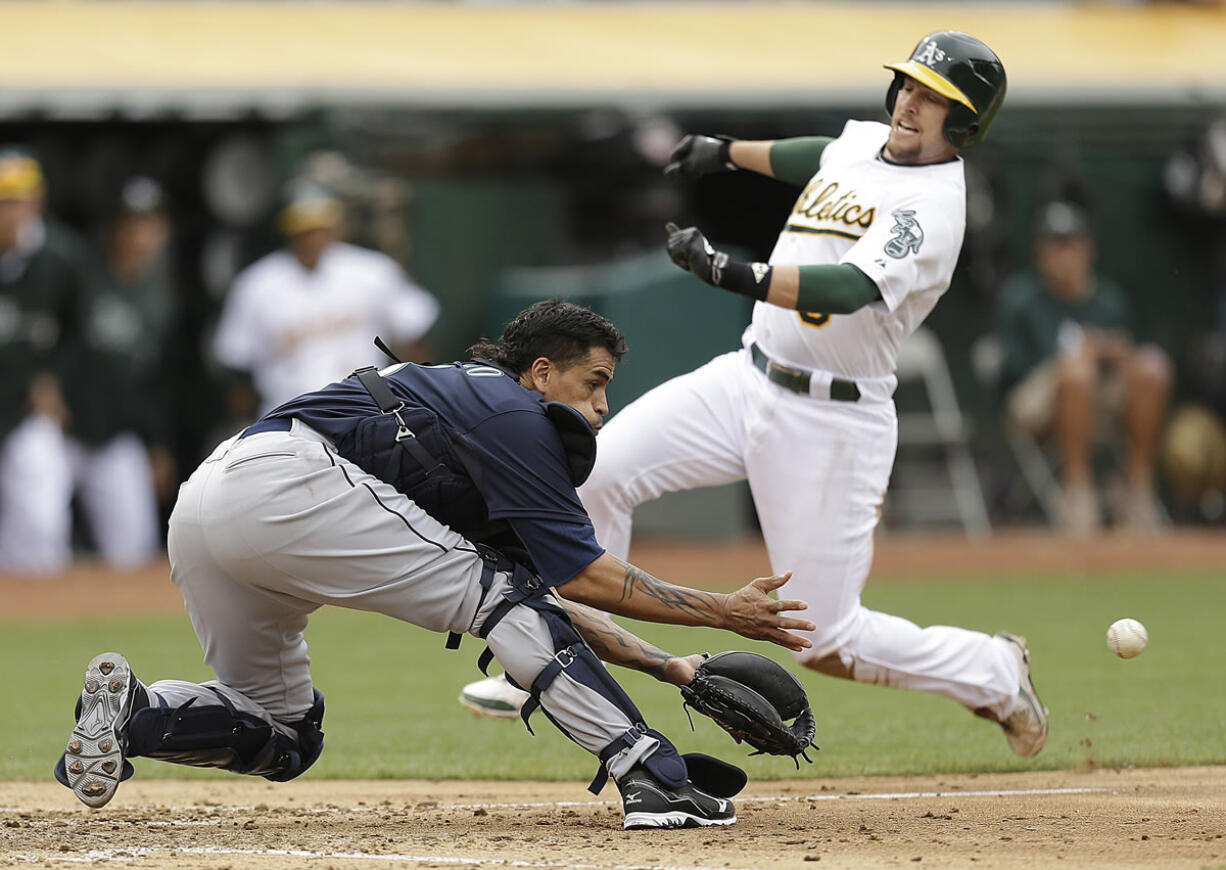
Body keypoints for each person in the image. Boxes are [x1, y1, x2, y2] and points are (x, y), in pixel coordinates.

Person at [461, 32, 1050, 761]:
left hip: (831, 417)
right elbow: (821, 153)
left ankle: (991, 671)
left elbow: (851, 288)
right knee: (594, 471)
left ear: (963, 125)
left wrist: (732, 273)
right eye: (910, 86)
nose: (912, 103)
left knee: (823, 638)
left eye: (935, 99)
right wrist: (727, 149)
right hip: (749, 375)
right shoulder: (870, 141)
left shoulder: (931, 208)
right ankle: (558, 657)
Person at [54, 299, 815, 831]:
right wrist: (723, 610)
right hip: (292, 484)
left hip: (210, 501)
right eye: (595, 382)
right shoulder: (518, 417)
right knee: (507, 601)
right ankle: (650, 775)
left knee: (283, 735)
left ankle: (135, 715)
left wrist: (674, 668)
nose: (604, 406)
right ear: (542, 373)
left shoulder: (473, 416)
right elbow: (574, 581)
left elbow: (548, 608)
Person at [996, 200, 1172, 536]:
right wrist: (1076, 356)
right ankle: (1077, 493)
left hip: (1099, 396)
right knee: (1077, 374)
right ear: (1041, 254)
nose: (1064, 255)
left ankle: (1136, 489)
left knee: (1152, 367)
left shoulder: (1108, 300)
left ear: (1087, 250)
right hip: (1036, 401)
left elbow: (1127, 354)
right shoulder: (1021, 298)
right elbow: (1011, 370)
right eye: (1056, 246)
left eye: (1071, 245)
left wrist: (1112, 353)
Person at [212, 178, 440, 419]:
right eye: (303, 228)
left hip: (366, 408)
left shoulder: (371, 271)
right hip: (289, 416)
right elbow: (237, 368)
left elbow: (415, 336)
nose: (312, 237)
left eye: (319, 226)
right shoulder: (256, 284)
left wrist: (417, 402)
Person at [56, 176, 179, 569]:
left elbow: (155, 383)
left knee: (134, 548)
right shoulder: (78, 276)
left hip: (116, 437)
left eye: (148, 223)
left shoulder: (161, 301)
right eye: (131, 222)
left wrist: (157, 444)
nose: (139, 234)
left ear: (164, 231)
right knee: (36, 530)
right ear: (114, 227)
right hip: (60, 429)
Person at [0, 147, 91, 574]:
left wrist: (54, 380)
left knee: (41, 516)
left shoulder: (61, 257)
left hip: (25, 407)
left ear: (37, 201)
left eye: (15, 200)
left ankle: (38, 616)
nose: (8, 211)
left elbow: (79, 332)